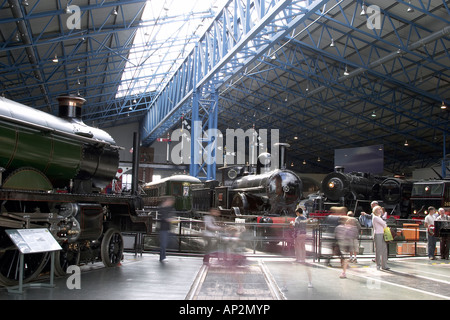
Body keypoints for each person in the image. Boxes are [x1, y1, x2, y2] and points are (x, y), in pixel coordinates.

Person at [291, 207, 313, 287]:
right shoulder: (304, 218)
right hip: (304, 233)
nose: (296, 214)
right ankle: (303, 258)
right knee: (303, 246)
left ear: (297, 212)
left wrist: (292, 223)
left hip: (299, 234)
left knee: (297, 246)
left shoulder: (297, 218)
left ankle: (298, 258)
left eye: (296, 212)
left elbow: (296, 226)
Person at [372, 205, 389, 270]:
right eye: (379, 209)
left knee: (384, 249)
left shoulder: (379, 217)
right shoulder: (375, 217)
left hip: (382, 233)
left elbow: (384, 224)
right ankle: (378, 264)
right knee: (378, 249)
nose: (380, 210)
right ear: (376, 211)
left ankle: (384, 265)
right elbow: (384, 224)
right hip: (378, 234)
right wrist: (384, 224)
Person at [158, 196, 175, 262]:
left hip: (166, 228)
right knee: (163, 243)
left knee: (165, 243)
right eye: (170, 201)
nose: (171, 203)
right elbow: (163, 218)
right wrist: (168, 219)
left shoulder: (167, 208)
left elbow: (171, 213)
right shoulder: (162, 208)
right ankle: (162, 257)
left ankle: (163, 256)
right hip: (163, 228)